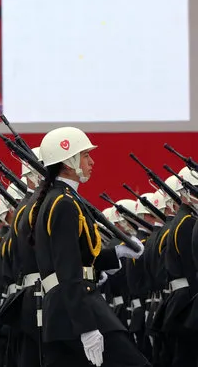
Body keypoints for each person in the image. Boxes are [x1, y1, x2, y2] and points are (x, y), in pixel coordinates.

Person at [32, 127, 149, 367]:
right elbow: (68, 268)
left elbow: (79, 256)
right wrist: (86, 327)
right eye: (85, 155)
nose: (91, 162)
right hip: (77, 308)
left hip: (64, 308)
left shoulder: (60, 199)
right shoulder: (64, 203)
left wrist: (116, 253)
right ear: (68, 161)